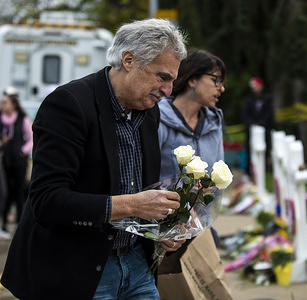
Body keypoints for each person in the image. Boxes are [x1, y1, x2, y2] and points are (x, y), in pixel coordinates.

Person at [1, 18, 188, 300]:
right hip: (77, 269)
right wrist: (132, 204)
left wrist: (160, 228)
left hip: (137, 264)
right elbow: (46, 200)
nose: (168, 90)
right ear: (128, 60)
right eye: (162, 77)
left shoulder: (149, 111)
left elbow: (140, 188)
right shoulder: (69, 104)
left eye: (172, 80)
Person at [157, 49, 226, 250]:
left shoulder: (214, 121)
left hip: (201, 229)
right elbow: (146, 176)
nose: (221, 88)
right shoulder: (158, 118)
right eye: (216, 80)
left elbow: (219, 174)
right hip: (163, 231)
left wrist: (208, 190)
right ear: (193, 80)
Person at [0, 87, 33, 239]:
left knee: (19, 193)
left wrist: (23, 151)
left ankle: (20, 224)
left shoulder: (22, 118)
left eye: (5, 102)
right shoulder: (1, 119)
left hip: (19, 162)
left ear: (13, 104)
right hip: (5, 161)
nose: (2, 104)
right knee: (6, 193)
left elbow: (32, 137)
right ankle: (4, 225)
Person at [242, 77, 274, 176]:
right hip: (251, 131)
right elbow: (245, 114)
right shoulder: (248, 100)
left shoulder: (267, 99)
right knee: (250, 150)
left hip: (264, 131)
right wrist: (252, 123)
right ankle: (249, 171)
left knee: (263, 150)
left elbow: (269, 114)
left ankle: (262, 170)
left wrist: (261, 123)